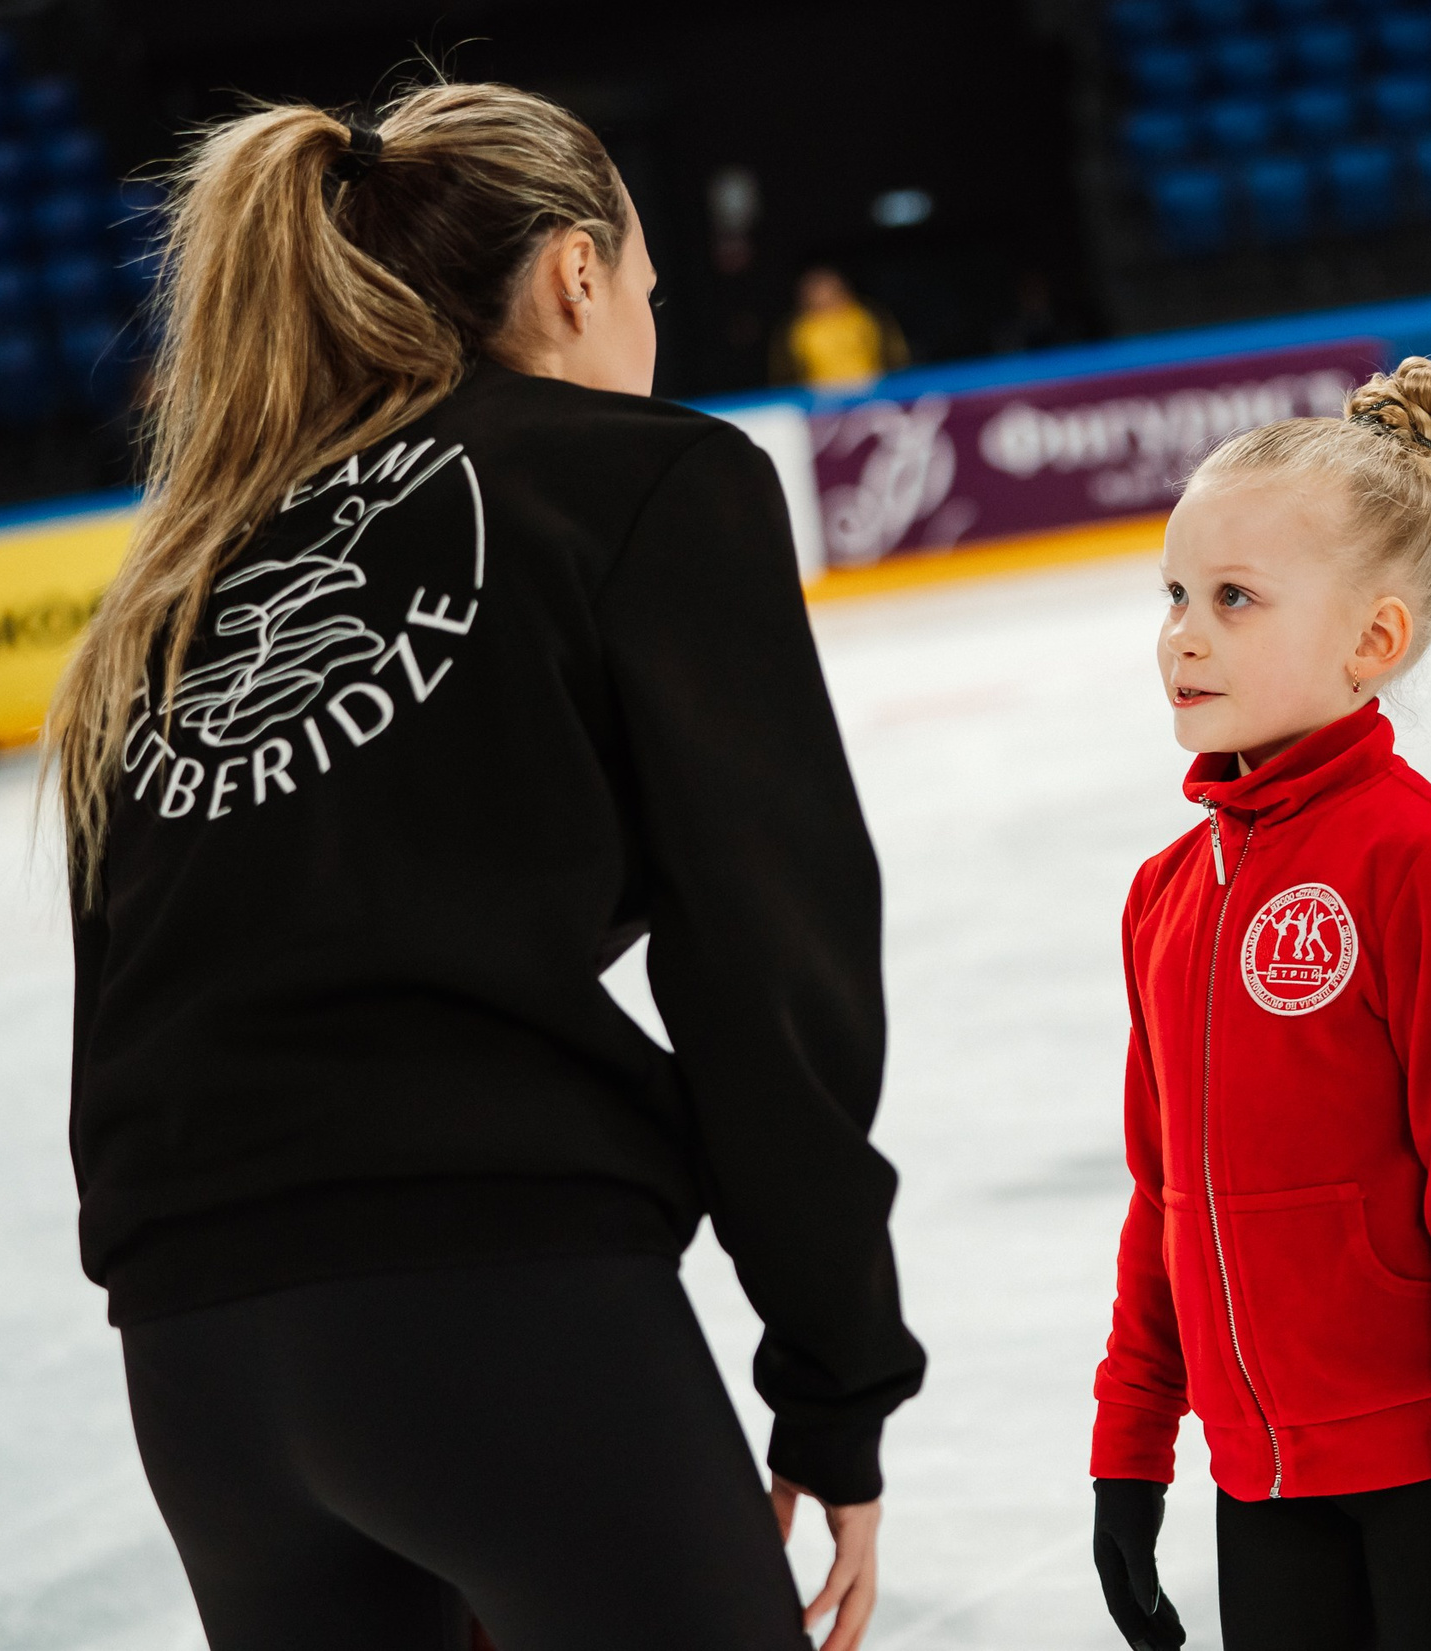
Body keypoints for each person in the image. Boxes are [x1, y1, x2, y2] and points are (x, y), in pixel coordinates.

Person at [46, 83, 925, 1651]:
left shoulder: (188, 569)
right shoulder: (651, 476)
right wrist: (837, 1376)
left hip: (202, 1369)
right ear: (578, 274)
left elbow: (137, 978)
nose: (648, 331)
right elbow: (765, 960)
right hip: (500, 1312)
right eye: (648, 293)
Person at [1089, 359, 1431, 1651]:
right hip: (1258, 1480)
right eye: (1176, 595)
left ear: (1375, 641)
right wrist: (1132, 1451)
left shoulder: (1427, 866)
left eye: (1235, 600)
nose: (1183, 634)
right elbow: (1162, 1191)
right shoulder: (1164, 893)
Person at [772, 265, 908, 390]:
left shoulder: (865, 317)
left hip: (872, 390)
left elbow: (894, 353)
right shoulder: (799, 329)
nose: (825, 301)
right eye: (817, 296)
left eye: (830, 293)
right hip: (822, 399)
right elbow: (786, 371)